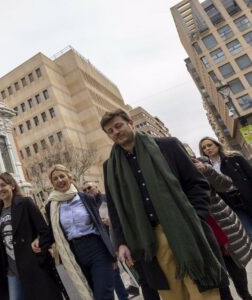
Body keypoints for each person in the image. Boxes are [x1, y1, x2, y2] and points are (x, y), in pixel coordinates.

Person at [101, 109, 224, 300]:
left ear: (130, 123)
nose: (115, 132)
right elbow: (115, 208)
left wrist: (196, 217)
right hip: (149, 239)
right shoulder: (110, 167)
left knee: (204, 291)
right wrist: (120, 242)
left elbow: (196, 183)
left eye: (118, 126)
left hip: (185, 229)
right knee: (172, 294)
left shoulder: (168, 146)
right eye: (110, 131)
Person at [33, 165, 116, 300]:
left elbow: (100, 225)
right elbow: (53, 230)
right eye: (55, 179)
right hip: (74, 253)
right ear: (52, 183)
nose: (59, 180)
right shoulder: (52, 205)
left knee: (104, 294)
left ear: (70, 177)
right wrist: (40, 240)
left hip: (97, 248)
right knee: (91, 293)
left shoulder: (86, 198)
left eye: (62, 176)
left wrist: (113, 251)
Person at [0, 172, 66, 300]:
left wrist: (39, 241)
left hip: (31, 264)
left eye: (3, 185)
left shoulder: (26, 203)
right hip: (11, 271)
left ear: (12, 185)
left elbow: (45, 231)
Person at [193, 156, 252, 300]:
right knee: (216, 271)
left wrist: (206, 170)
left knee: (234, 263)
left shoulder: (201, 164)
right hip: (198, 227)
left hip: (221, 222)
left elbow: (225, 185)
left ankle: (245, 294)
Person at [83, 181, 140, 299]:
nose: (87, 191)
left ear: (96, 187)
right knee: (114, 270)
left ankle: (137, 284)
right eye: (84, 190)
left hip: (117, 236)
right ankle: (124, 295)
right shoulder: (86, 205)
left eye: (89, 187)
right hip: (103, 241)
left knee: (130, 263)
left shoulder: (106, 198)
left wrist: (110, 221)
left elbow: (119, 213)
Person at [199, 137, 252, 239]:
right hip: (231, 202)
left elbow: (249, 174)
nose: (207, 149)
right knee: (249, 231)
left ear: (217, 145)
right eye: (204, 148)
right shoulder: (206, 168)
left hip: (248, 195)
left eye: (209, 145)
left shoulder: (234, 157)